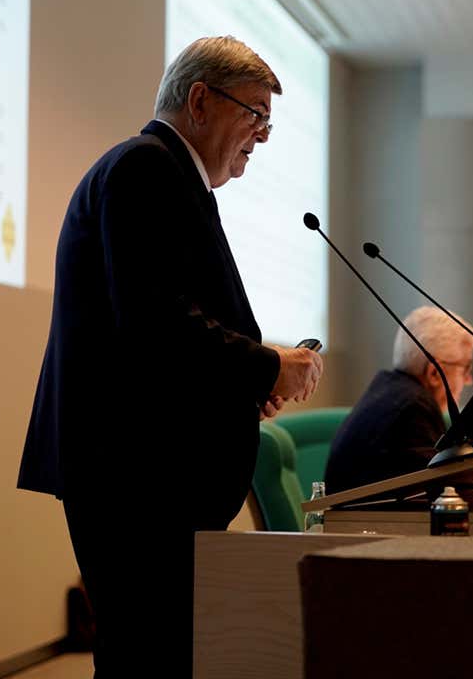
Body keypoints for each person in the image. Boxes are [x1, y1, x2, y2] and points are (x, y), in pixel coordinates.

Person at [16, 36, 324, 677]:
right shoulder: (144, 168)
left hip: (147, 474)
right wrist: (267, 366)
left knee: (159, 654)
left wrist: (242, 384)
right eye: (256, 114)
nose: (263, 137)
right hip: (135, 476)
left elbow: (168, 330)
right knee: (147, 656)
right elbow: (154, 324)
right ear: (201, 100)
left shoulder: (167, 175)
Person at [324, 306, 473, 492]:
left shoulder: (393, 392)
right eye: (465, 368)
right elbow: (455, 491)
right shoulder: (412, 408)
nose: (468, 380)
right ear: (434, 374)